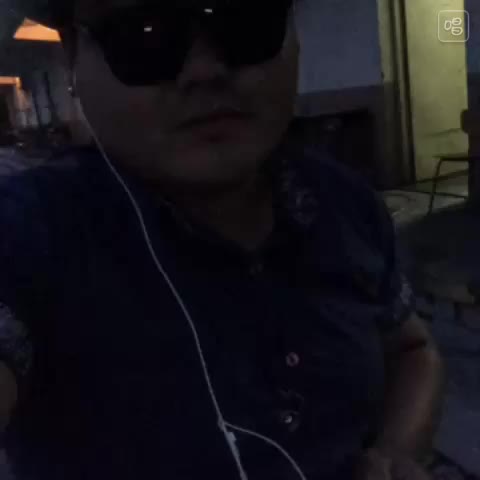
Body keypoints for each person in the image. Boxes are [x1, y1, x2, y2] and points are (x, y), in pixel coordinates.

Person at [0, 1, 444, 479]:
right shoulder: (31, 230)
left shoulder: (345, 204)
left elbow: (412, 349)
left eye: (246, 23)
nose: (205, 71)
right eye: (145, 35)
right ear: (72, 55)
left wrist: (395, 451)